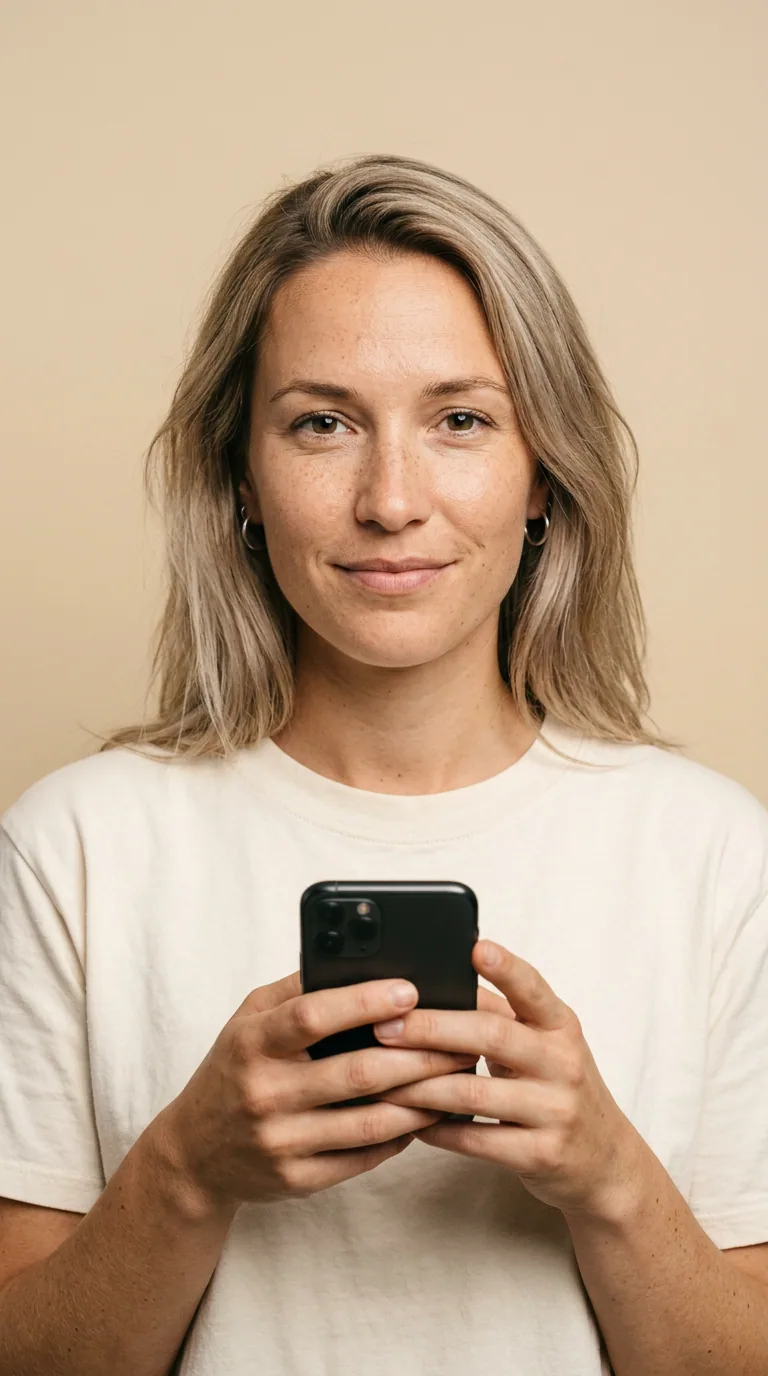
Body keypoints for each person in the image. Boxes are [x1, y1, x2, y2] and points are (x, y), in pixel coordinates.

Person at [0, 152, 766, 1376]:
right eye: (322, 423)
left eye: (460, 418)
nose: (390, 499)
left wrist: (610, 1176)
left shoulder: (713, 854)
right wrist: (189, 1167)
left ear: (543, 478)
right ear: (243, 475)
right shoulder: (76, 846)